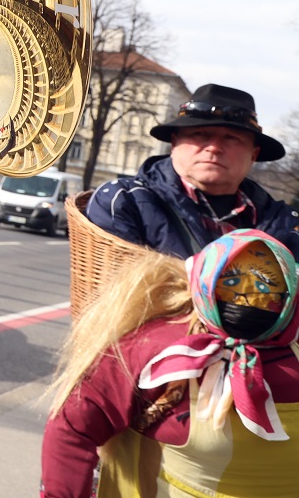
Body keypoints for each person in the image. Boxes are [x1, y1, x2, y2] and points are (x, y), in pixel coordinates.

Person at [41, 229, 299, 497]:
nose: (247, 300)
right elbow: (73, 427)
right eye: (232, 284)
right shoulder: (154, 348)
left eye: (263, 288)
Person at [86, 83, 299, 258]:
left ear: (253, 154)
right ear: (174, 143)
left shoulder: (287, 224)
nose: (214, 147)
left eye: (232, 138)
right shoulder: (123, 201)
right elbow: (117, 297)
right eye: (200, 134)